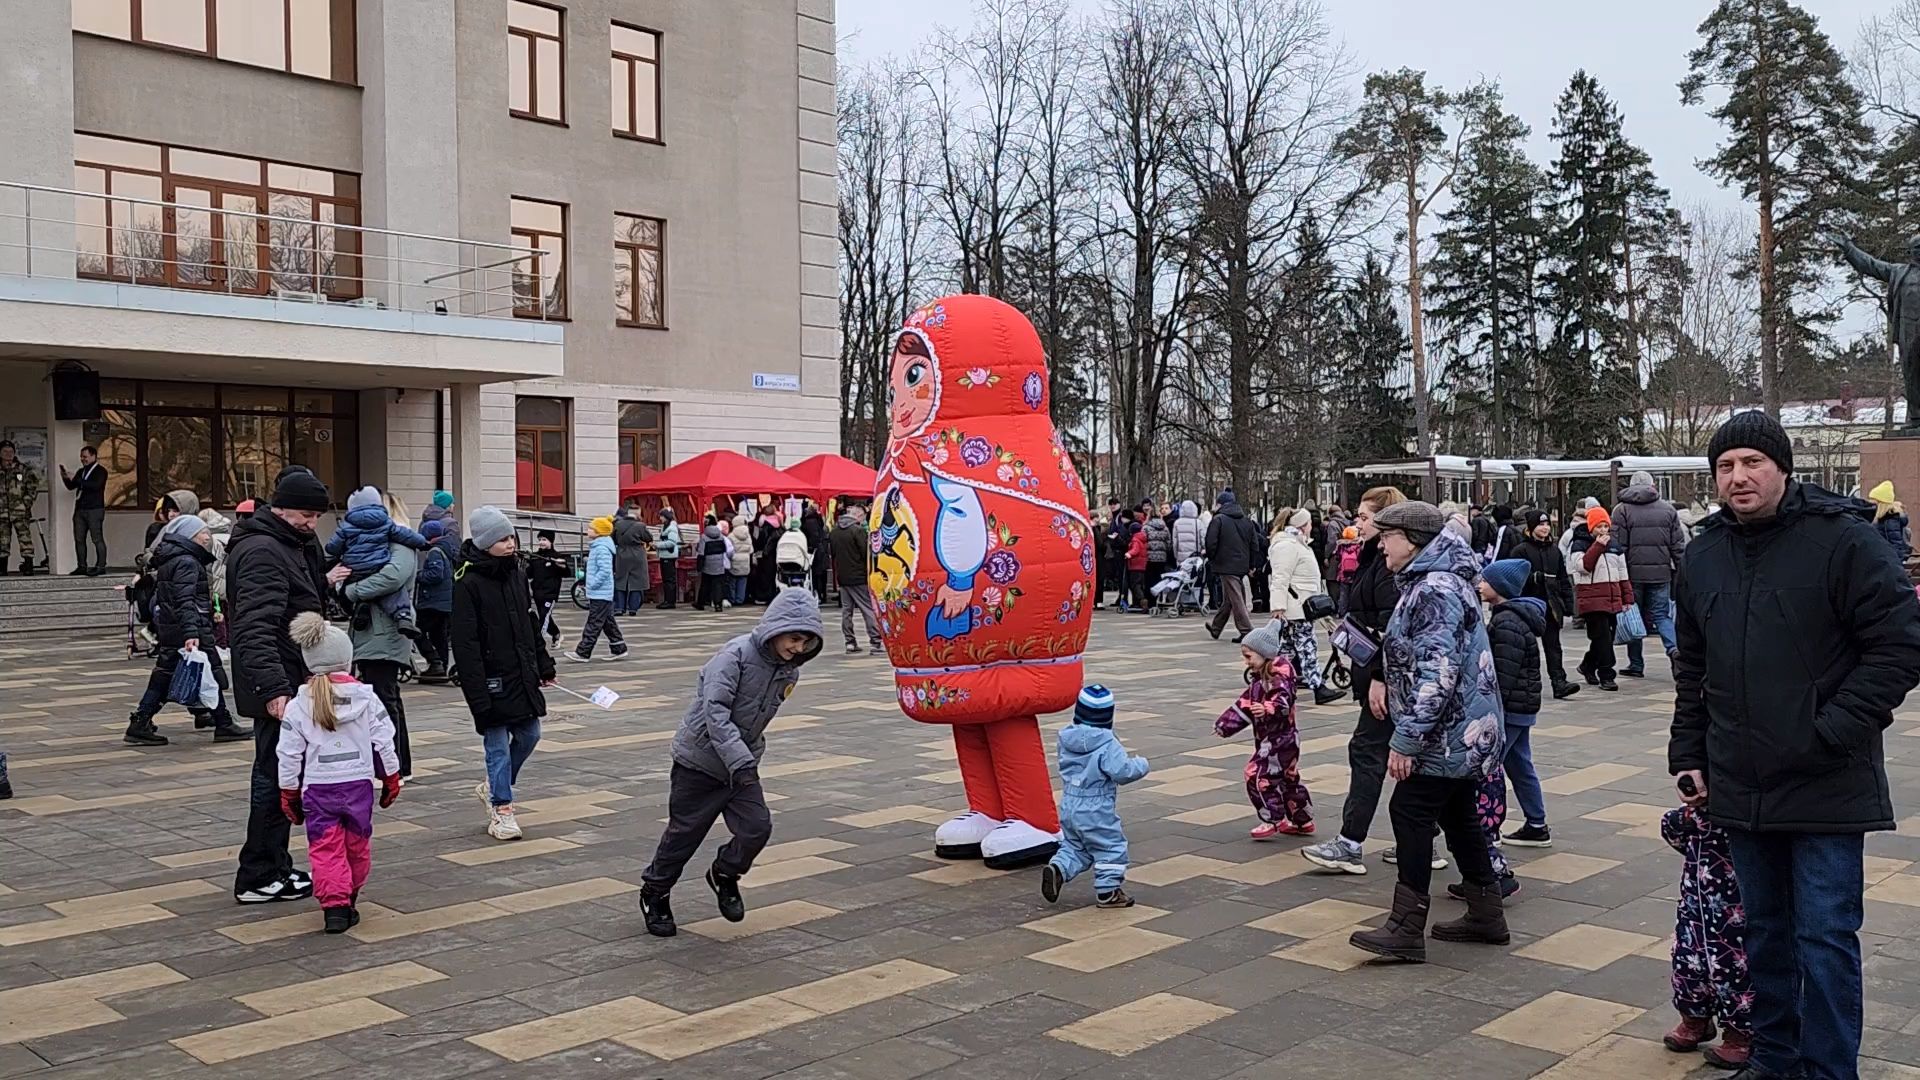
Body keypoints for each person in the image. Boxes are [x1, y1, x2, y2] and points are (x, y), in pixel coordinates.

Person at [1671, 410, 1920, 1080]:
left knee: (1825, 939)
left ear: (1783, 467)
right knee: (1764, 935)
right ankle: (1774, 1063)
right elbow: (1692, 665)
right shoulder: (1703, 554)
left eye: (1752, 461)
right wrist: (1687, 751)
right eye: (1725, 466)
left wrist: (1832, 729)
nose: (1738, 476)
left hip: (1827, 781)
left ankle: (1830, 1071)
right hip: (1740, 782)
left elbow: (1900, 647)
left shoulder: (1844, 541)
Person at [1346, 501, 1507, 964]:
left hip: (1447, 730)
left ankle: (1406, 925)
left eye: (1387, 537)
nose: (1381, 546)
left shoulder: (1434, 588)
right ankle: (1485, 911)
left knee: (1410, 809)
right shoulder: (1438, 580)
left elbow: (1437, 674)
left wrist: (1406, 739)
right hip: (1461, 727)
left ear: (1412, 540)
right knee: (1457, 813)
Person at [638, 588, 824, 936]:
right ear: (775, 627)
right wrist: (740, 761)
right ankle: (655, 892)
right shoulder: (734, 655)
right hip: (700, 762)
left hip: (742, 764)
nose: (798, 648)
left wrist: (745, 760)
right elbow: (715, 713)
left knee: (757, 826)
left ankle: (724, 872)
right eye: (794, 638)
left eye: (806, 642)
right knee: (685, 834)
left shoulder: (788, 671)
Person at [1305, 486, 1443, 875]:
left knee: (1369, 753)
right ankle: (1421, 842)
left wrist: (1380, 676)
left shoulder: (1391, 570)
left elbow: (1393, 630)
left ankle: (1352, 842)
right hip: (1382, 677)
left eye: (1365, 518)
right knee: (1404, 759)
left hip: (1390, 682)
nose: (1357, 524)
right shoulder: (1374, 560)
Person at [227, 467, 331, 905]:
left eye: (316, 517)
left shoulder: (288, 544)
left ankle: (275, 867)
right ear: (282, 507)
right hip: (278, 686)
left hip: (288, 681)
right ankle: (257, 874)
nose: (312, 523)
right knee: (273, 779)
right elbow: (253, 628)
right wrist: (274, 691)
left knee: (283, 777)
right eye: (306, 514)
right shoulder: (265, 551)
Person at [276, 612, 401, 934]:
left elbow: (288, 754)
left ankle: (335, 906)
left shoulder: (299, 704)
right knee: (357, 843)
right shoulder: (367, 697)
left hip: (318, 789)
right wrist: (390, 778)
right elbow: (384, 741)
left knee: (325, 846)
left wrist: (288, 791)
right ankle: (351, 894)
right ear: (347, 659)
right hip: (358, 784)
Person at [452, 506, 557, 842]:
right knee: (496, 744)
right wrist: (476, 692)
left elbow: (528, 623)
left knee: (530, 734)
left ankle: (495, 785)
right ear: (485, 543)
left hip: (519, 673)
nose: (510, 543)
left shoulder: (516, 573)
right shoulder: (468, 583)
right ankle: (503, 808)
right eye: (501, 539)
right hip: (489, 677)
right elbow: (464, 643)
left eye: (511, 536)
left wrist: (543, 664)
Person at [125, 514, 250, 745]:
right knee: (177, 674)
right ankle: (141, 721)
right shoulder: (186, 562)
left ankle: (220, 721)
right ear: (190, 535)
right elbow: (186, 600)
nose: (207, 537)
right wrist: (192, 632)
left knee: (192, 672)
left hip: (178, 626)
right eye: (203, 532)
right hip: (187, 628)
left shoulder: (177, 559)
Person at [1039, 685, 1151, 908]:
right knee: (1109, 846)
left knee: (1075, 846)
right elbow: (1122, 772)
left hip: (1070, 802)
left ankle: (1059, 868)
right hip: (1095, 807)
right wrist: (1141, 764)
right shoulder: (1107, 744)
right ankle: (1108, 892)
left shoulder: (1066, 737)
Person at [1661, 803, 1754, 1070]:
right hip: (1695, 908)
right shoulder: (1694, 814)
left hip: (1734, 914)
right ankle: (1694, 1019)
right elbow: (1671, 830)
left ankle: (1740, 1033)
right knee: (1687, 964)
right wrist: (1689, 816)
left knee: (1733, 971)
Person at [339, 490, 420, 777]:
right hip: (373, 631)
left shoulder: (399, 544)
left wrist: (350, 590)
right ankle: (396, 764)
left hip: (386, 631)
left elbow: (393, 577)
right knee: (385, 697)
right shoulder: (373, 545)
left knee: (384, 698)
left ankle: (393, 765)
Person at [1216, 624, 1312, 839]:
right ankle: (1302, 820)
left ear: (1264, 654)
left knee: (1257, 775)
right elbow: (1245, 704)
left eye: (1249, 656)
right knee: (1288, 778)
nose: (1246, 662)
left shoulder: (1277, 679)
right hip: (1284, 740)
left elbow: (1283, 700)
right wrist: (1225, 725)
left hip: (1278, 741)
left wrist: (1268, 708)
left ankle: (1272, 818)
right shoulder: (1261, 681)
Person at [325, 487, 429, 638]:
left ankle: (358, 608)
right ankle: (402, 615)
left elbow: (332, 547)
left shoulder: (346, 526)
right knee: (395, 594)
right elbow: (405, 536)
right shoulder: (386, 525)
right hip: (378, 563)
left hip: (354, 569)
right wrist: (423, 542)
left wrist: (349, 593)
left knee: (353, 591)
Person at [1612, 469, 1687, 678]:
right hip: (1661, 573)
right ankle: (1674, 650)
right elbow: (1678, 545)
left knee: (1632, 615)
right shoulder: (1668, 510)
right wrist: (1682, 570)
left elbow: (1619, 546)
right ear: (1653, 485)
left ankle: (1636, 664)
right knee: (1661, 615)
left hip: (1632, 574)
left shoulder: (1621, 510)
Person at [1268, 508, 1343, 706]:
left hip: (1299, 606)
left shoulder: (1295, 543)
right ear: (1303, 525)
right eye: (1309, 523)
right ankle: (1317, 687)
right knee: (1306, 647)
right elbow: (1280, 578)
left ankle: (1276, 687)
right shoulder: (1288, 545)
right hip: (1297, 607)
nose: (1312, 526)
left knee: (1288, 650)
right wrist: (1278, 606)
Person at [1514, 510, 1580, 700]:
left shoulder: (1554, 551)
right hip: (1528, 605)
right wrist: (1532, 579)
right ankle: (1524, 684)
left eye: (1547, 524)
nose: (1544, 528)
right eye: (1540, 524)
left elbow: (1563, 579)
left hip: (1550, 606)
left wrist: (1568, 604)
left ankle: (1559, 681)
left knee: (1554, 646)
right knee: (1526, 647)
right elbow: (1513, 578)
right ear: (1531, 527)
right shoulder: (1521, 550)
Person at [1571, 506, 1632, 692]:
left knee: (1605, 638)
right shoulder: (1580, 544)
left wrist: (1627, 596)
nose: (1603, 530)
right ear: (1591, 527)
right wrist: (1598, 546)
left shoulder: (1615, 545)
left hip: (1611, 596)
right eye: (1599, 526)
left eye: (1606, 526)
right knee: (1603, 637)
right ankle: (1607, 674)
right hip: (1592, 598)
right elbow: (1583, 566)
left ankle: (1588, 665)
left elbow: (1622, 572)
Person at [568, 515, 628, 661]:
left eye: (591, 528)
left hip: (600, 592)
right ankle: (619, 647)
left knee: (594, 622)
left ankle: (583, 651)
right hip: (601, 592)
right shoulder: (599, 546)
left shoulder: (601, 548)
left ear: (599, 532)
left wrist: (592, 583)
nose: (588, 530)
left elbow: (605, 570)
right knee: (607, 621)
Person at [1204, 491, 1259, 642]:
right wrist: (1252, 564)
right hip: (1242, 564)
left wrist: (1212, 557)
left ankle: (1246, 630)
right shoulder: (1247, 521)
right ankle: (1216, 628)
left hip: (1225, 563)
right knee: (1230, 597)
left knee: (1235, 597)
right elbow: (1254, 544)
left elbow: (1211, 542)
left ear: (1221, 504)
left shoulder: (1218, 520)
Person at [830, 501, 882, 655]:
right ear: (858, 515)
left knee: (847, 611)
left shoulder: (834, 532)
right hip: (859, 576)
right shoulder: (857, 531)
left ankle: (850, 642)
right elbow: (866, 553)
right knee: (867, 608)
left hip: (843, 576)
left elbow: (832, 554)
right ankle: (875, 642)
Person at [413, 519, 457, 682]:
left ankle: (434, 661)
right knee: (439, 636)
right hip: (444, 602)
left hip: (432, 601)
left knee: (416, 630)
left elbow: (435, 574)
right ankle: (441, 666)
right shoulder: (447, 549)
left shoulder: (435, 552)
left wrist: (417, 576)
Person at [60, 445, 107, 575]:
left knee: (96, 538)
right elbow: (72, 486)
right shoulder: (82, 471)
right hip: (80, 509)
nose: (83, 459)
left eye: (85, 456)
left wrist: (77, 478)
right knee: (79, 539)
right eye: (81, 457)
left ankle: (101, 566)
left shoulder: (100, 471)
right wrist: (65, 477)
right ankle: (82, 565)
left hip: (95, 509)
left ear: (93, 456)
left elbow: (95, 485)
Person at [0, 440, 38, 575]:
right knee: (2, 541)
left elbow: (32, 489)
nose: (8, 454)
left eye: (11, 452)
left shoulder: (23, 469)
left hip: (20, 512)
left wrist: (25, 504)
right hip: (2, 512)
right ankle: (2, 568)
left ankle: (28, 566)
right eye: (5, 451)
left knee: (25, 539)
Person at [525, 529, 568, 647]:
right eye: (539, 540)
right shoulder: (535, 557)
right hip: (538, 593)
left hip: (550, 594)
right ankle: (556, 634)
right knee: (545, 617)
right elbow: (529, 574)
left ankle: (537, 642)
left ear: (551, 541)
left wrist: (561, 565)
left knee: (544, 617)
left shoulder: (557, 557)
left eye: (544, 540)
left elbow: (566, 572)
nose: (541, 542)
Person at [612, 507, 653, 616]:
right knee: (637, 581)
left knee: (620, 581)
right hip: (637, 554)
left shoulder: (617, 524)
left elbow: (613, 539)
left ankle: (619, 607)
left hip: (621, 554)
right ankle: (633, 608)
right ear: (637, 515)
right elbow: (649, 538)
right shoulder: (640, 526)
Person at [1869, 480, 1913, 562]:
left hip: (1889, 562)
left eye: (1874, 502)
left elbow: (1896, 545)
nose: (1871, 505)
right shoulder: (1885, 518)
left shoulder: (1890, 521)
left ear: (1881, 504)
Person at [697, 515, 733, 612]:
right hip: (719, 562)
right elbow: (725, 549)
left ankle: (700, 603)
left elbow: (701, 552)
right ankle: (718, 605)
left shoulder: (704, 536)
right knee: (718, 585)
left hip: (708, 563)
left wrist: (699, 565)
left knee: (705, 584)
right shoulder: (720, 536)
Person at [801, 500, 831, 601]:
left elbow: (814, 537)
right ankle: (823, 594)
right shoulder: (817, 519)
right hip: (822, 549)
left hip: (816, 551)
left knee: (816, 574)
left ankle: (818, 593)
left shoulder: (809, 521)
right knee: (822, 573)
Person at [1143, 500, 1172, 606]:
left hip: (1149, 557)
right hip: (1162, 558)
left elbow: (1143, 541)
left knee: (1149, 580)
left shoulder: (1146, 527)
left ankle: (1150, 602)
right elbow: (1169, 543)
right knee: (1159, 579)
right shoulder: (1165, 528)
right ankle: (1158, 600)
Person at [654, 508, 681, 609]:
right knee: (666, 579)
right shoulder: (665, 527)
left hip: (669, 556)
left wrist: (658, 545)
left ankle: (670, 601)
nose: (660, 518)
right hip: (664, 555)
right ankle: (667, 600)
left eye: (661, 516)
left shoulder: (671, 528)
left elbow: (671, 542)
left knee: (669, 579)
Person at [1124, 514, 1150, 613]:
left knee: (1135, 585)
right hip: (1142, 565)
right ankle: (1137, 603)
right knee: (1140, 584)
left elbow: (1135, 550)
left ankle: (1142, 601)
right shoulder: (1143, 539)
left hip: (1135, 565)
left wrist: (1128, 554)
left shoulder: (1135, 540)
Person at [775, 517, 810, 589]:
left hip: (782, 562)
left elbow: (778, 548)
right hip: (796, 563)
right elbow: (804, 550)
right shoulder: (801, 536)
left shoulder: (784, 536)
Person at [728, 515, 753, 607]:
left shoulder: (731, 535)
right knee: (742, 581)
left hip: (735, 559)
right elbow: (751, 550)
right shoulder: (748, 535)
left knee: (732, 581)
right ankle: (740, 599)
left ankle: (732, 598)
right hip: (745, 559)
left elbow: (729, 549)